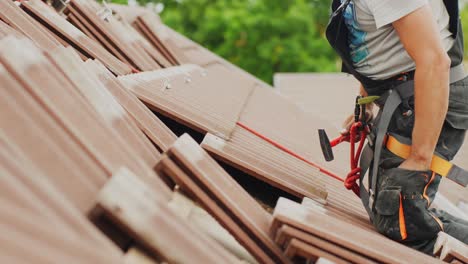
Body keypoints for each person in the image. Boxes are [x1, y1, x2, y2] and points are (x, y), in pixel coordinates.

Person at [326, 0, 468, 255]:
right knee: (398, 211)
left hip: (426, 98)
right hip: (406, 98)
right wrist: (366, 105)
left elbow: (435, 63)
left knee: (401, 223)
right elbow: (380, 42)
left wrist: (419, 158)